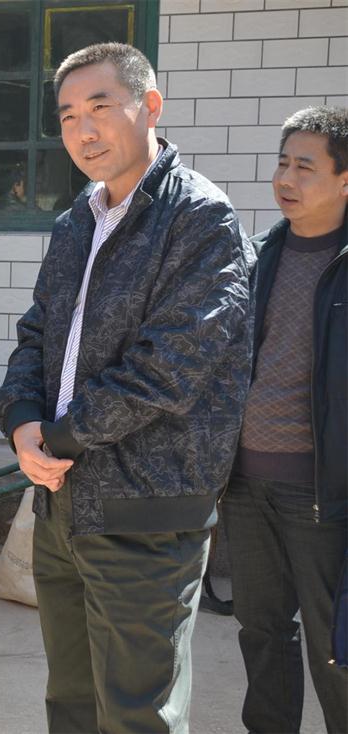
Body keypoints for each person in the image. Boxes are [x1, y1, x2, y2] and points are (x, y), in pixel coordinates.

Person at [0, 43, 254, 732]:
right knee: (72, 702)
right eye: (67, 115)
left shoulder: (199, 218)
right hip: (62, 502)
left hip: (146, 507)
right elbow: (36, 333)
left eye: (100, 107)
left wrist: (58, 437)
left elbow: (171, 365)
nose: (83, 130)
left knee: (139, 713)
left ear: (151, 107)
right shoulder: (76, 220)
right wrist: (21, 419)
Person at [222, 105, 347, 734]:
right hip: (246, 484)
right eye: (281, 163)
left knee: (335, 643)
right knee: (261, 630)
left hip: (322, 490)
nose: (285, 179)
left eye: (304, 166)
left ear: (345, 179)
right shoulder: (261, 254)